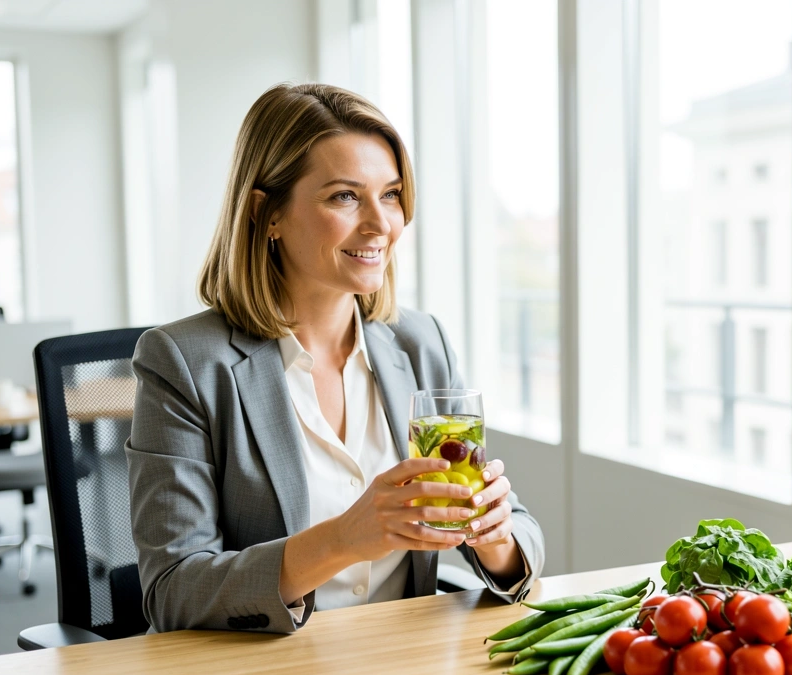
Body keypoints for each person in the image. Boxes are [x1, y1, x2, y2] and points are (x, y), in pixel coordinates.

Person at [126, 83, 544, 633]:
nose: (381, 224)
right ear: (267, 214)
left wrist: (494, 539)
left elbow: (520, 533)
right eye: (345, 196)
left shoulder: (422, 343)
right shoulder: (183, 362)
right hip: (265, 672)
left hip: (403, 663)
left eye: (391, 194)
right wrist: (343, 539)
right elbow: (173, 590)